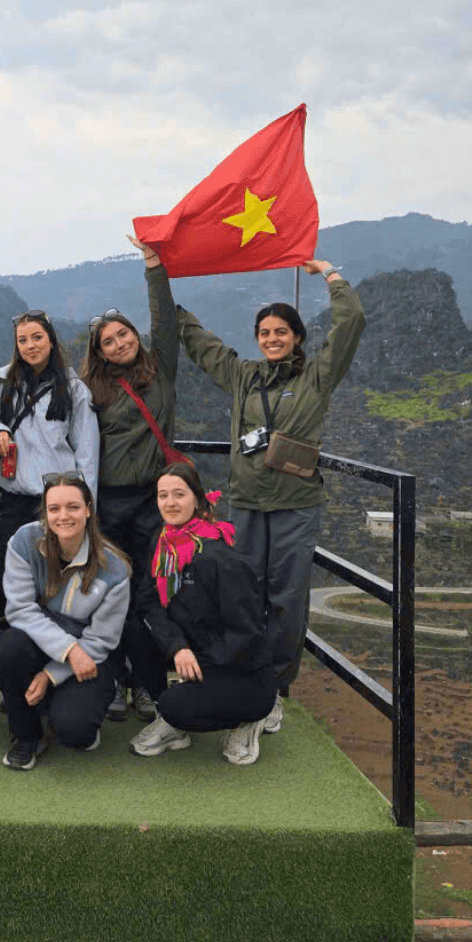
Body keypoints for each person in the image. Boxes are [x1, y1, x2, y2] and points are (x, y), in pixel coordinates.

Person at [177, 258, 365, 723]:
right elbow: (201, 345)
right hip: (243, 503)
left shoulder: (316, 377)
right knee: (241, 595)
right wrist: (164, 290)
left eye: (281, 331)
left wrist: (331, 275)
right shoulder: (244, 375)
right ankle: (245, 677)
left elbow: (351, 324)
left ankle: (276, 689)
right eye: (265, 332)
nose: (272, 339)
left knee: (286, 597)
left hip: (294, 507)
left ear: (297, 336)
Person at [81, 233, 181, 722]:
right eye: (109, 341)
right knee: (110, 591)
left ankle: (149, 682)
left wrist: (153, 265)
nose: (119, 343)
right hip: (109, 504)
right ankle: (116, 679)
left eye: (124, 334)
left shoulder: (160, 368)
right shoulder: (90, 389)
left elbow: (165, 315)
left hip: (154, 502)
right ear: (99, 351)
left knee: (152, 591)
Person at [126, 462, 277, 765]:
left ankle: (250, 720)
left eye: (179, 494)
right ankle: (172, 721)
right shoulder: (165, 543)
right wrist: (177, 646)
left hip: (242, 670)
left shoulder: (220, 557)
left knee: (177, 704)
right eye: (163, 495)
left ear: (197, 498)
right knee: (134, 631)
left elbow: (246, 634)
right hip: (194, 650)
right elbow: (149, 603)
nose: (170, 503)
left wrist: (202, 667)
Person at [0, 472, 130, 770]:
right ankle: (26, 735)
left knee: (75, 732)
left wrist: (50, 675)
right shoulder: (24, 541)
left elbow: (101, 640)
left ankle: (58, 704)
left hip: (90, 655)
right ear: (45, 512)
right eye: (54, 509)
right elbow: (20, 610)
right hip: (47, 647)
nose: (63, 516)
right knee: (8, 646)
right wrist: (69, 649)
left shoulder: (114, 569)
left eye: (73, 507)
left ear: (88, 509)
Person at [0, 311, 99, 618]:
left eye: (37, 337)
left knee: (56, 573)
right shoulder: (2, 382)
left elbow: (87, 452)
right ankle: (12, 635)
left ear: (51, 340)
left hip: (57, 498)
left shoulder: (73, 390)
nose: (30, 345)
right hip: (15, 495)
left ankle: (56, 641)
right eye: (23, 340)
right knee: (10, 568)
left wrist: (87, 507)